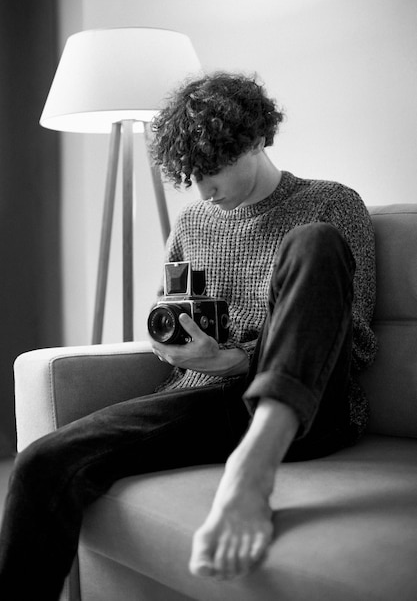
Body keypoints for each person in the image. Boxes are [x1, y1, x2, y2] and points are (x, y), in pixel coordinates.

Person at [0, 72, 377, 598]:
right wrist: (177, 347)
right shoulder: (195, 220)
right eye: (192, 177)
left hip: (313, 410)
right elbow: (171, 320)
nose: (204, 191)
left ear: (253, 140)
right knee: (42, 461)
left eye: (214, 171)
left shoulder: (331, 203)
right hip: (209, 402)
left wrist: (238, 360)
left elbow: (352, 345)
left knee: (313, 241)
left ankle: (253, 469)